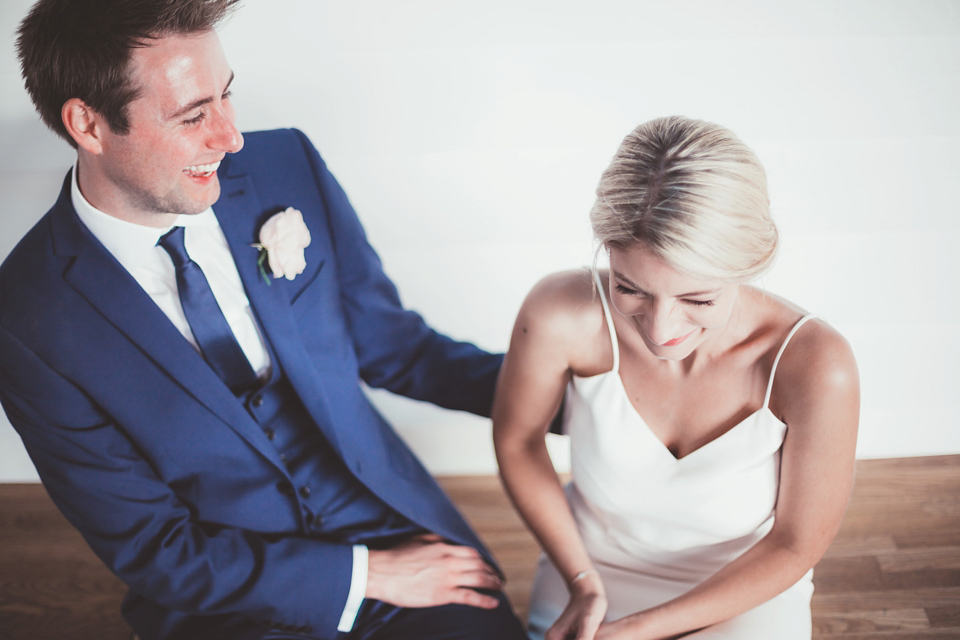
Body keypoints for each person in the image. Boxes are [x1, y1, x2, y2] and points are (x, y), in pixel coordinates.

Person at [0, 1, 530, 638]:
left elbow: (398, 350)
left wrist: (576, 391)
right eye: (194, 115)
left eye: (226, 97)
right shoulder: (27, 319)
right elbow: (153, 546)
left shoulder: (285, 168)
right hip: (227, 603)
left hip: (393, 527)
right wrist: (365, 577)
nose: (230, 137)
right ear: (87, 123)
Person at [493, 116, 859, 639]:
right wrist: (583, 581)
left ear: (747, 266)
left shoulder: (817, 364)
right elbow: (517, 439)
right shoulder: (560, 312)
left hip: (745, 589)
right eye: (631, 288)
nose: (661, 331)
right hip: (590, 572)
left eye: (698, 299)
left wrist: (637, 631)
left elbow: (795, 544)